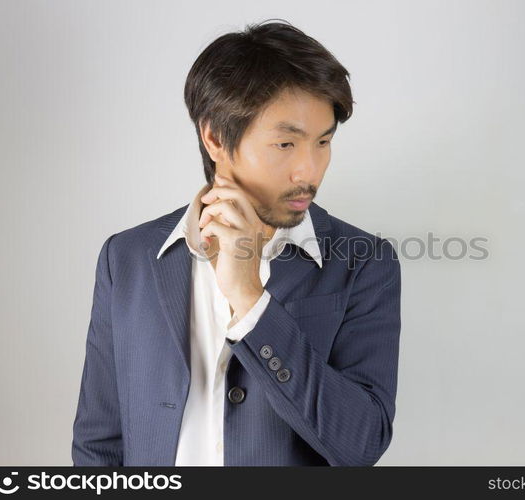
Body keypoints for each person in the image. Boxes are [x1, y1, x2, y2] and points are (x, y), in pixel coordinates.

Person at [71, 19, 401, 466]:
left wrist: (250, 299)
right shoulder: (126, 258)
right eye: (286, 143)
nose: (310, 170)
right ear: (215, 138)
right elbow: (99, 442)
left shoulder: (364, 263)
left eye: (323, 142)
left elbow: (361, 445)